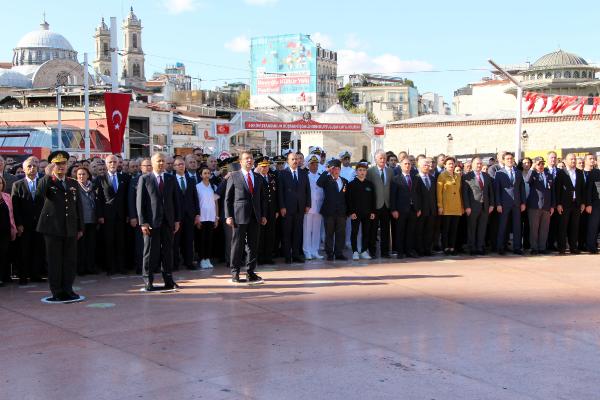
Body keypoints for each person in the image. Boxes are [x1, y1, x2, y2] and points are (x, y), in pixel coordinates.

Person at [35, 151, 84, 302]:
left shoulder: (72, 182)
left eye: (63, 164)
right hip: (52, 228)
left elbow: (78, 206)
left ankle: (68, 289)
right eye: (58, 164)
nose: (61, 167)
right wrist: (47, 175)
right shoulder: (48, 181)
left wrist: (80, 227)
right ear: (52, 166)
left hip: (70, 227)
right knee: (55, 261)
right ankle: (57, 291)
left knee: (69, 261)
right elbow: (39, 195)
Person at [136, 152, 181, 291]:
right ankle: (148, 280)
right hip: (151, 222)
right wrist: (143, 222)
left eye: (163, 161)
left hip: (168, 221)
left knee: (168, 252)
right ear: (152, 163)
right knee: (150, 252)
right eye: (158, 161)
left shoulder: (170, 178)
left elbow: (176, 200)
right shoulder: (145, 179)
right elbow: (140, 202)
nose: (161, 163)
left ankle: (168, 279)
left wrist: (177, 220)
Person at [225, 150, 267, 284]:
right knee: (237, 245)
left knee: (253, 245)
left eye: (251, 158)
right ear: (241, 161)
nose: (249, 160)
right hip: (239, 216)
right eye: (246, 159)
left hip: (255, 216)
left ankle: (250, 272)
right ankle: (235, 272)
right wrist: (228, 216)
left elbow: (262, 199)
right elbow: (228, 198)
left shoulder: (258, 177)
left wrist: (263, 215)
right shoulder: (234, 176)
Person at [11, 157, 45, 284]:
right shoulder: (17, 185)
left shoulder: (43, 182)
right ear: (24, 169)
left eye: (34, 166)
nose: (32, 168)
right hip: (25, 225)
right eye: (29, 166)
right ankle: (23, 276)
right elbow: (16, 206)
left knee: (38, 250)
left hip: (40, 223)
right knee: (24, 251)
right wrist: (19, 223)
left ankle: (36, 274)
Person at [95, 154, 130, 275]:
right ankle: (111, 268)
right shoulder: (100, 179)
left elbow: (127, 198)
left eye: (115, 162)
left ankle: (122, 267)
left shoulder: (125, 177)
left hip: (121, 215)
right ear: (106, 164)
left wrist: (129, 214)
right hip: (107, 216)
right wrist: (99, 215)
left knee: (121, 242)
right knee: (109, 242)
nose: (113, 164)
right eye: (110, 162)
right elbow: (98, 199)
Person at [277, 152, 311, 263]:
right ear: (288, 161)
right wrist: (281, 206)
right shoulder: (282, 174)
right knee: (287, 233)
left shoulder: (303, 173)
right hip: (287, 208)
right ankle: (287, 256)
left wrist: (308, 204)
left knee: (297, 232)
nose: (295, 161)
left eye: (296, 159)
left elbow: (307, 190)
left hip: (300, 208)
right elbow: (280, 192)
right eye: (292, 159)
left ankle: (296, 255)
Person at [494, 152, 526, 255]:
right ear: (503, 160)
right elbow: (497, 190)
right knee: (503, 225)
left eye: (511, 158)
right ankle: (500, 247)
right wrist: (498, 204)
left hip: (517, 203)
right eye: (507, 159)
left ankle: (517, 247)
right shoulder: (499, 173)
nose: (510, 160)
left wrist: (523, 202)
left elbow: (522, 189)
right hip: (504, 203)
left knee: (517, 226)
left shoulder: (518, 172)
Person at [317, 159, 349, 261]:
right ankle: (329, 253)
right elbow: (319, 182)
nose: (336, 170)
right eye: (334, 168)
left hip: (341, 212)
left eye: (338, 168)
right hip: (329, 211)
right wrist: (327, 171)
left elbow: (346, 197)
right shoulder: (326, 180)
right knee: (329, 233)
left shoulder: (344, 181)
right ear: (331, 169)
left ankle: (339, 253)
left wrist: (347, 211)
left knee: (341, 233)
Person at [462, 157, 494, 255]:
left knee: (482, 228)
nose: (479, 165)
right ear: (472, 164)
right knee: (472, 228)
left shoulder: (486, 176)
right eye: (477, 163)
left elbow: (490, 191)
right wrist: (467, 206)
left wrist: (492, 204)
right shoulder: (467, 176)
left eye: (480, 163)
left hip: (485, 206)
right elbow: (465, 193)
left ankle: (480, 247)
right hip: (472, 206)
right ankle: (472, 248)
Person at [173, 156, 201, 270]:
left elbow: (195, 198)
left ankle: (189, 262)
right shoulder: (171, 180)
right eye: (178, 164)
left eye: (182, 164)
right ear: (174, 167)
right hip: (176, 216)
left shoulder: (190, 180)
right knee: (175, 241)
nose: (181, 166)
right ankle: (174, 263)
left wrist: (197, 214)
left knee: (189, 240)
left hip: (190, 215)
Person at [555, 153, 585, 255]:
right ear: (566, 161)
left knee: (574, 226)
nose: (573, 161)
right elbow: (557, 189)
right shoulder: (561, 173)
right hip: (564, 204)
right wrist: (558, 204)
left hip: (576, 204)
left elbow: (582, 189)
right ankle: (562, 248)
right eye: (571, 159)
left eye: (574, 159)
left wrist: (583, 203)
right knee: (563, 226)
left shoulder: (580, 172)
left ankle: (573, 247)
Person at [366, 150, 393, 258]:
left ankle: (385, 252)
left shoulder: (390, 171)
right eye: (380, 158)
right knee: (373, 230)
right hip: (375, 206)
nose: (383, 160)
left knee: (385, 230)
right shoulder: (370, 171)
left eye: (384, 158)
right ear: (376, 159)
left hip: (386, 205)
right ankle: (372, 252)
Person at [390, 157, 419, 258]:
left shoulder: (415, 178)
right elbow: (393, 196)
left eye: (409, 164)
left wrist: (418, 208)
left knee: (411, 231)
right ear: (401, 166)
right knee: (400, 231)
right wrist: (393, 210)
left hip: (413, 209)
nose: (407, 166)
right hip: (400, 210)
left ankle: (409, 250)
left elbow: (417, 194)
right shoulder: (395, 179)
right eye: (405, 164)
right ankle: (400, 251)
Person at [347, 161, 375, 260]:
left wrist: (372, 212)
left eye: (364, 170)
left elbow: (373, 199)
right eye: (360, 170)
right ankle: (355, 251)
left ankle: (363, 250)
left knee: (366, 232)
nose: (362, 172)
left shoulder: (370, 184)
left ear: (366, 171)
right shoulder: (351, 184)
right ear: (356, 171)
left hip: (367, 213)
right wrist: (351, 212)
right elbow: (349, 200)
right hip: (356, 213)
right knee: (354, 232)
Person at [76, 167, 102, 275]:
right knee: (81, 246)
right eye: (79, 174)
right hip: (81, 221)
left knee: (91, 245)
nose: (81, 176)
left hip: (92, 220)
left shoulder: (93, 186)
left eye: (84, 174)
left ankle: (91, 266)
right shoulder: (75, 187)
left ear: (88, 175)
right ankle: (81, 268)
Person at [435, 157, 463, 255]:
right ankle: (445, 247)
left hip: (456, 206)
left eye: (452, 163)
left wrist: (462, 206)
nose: (451, 165)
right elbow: (439, 192)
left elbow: (460, 192)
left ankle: (452, 247)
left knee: (454, 229)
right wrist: (440, 206)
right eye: (449, 164)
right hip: (446, 206)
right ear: (445, 165)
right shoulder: (442, 176)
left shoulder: (458, 176)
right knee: (446, 229)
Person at [527, 157, 555, 255]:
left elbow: (552, 192)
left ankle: (542, 247)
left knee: (544, 228)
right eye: (538, 164)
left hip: (546, 206)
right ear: (535, 164)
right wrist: (532, 168)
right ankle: (534, 247)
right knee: (534, 228)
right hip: (535, 205)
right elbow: (527, 181)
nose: (541, 166)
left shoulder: (549, 175)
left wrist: (552, 205)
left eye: (542, 164)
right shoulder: (533, 174)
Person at [193, 166, 218, 269]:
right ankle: (202, 259)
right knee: (202, 239)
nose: (207, 175)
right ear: (201, 175)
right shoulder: (197, 187)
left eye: (208, 173)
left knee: (209, 239)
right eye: (205, 173)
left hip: (211, 216)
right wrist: (197, 218)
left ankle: (208, 258)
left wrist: (217, 217)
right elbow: (196, 203)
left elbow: (216, 202)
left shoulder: (213, 187)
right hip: (202, 217)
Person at [255, 157, 278, 264]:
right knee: (260, 234)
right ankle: (260, 257)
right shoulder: (256, 178)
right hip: (261, 210)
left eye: (267, 166)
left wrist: (277, 209)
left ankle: (268, 256)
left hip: (272, 210)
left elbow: (276, 194)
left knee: (271, 233)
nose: (265, 168)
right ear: (259, 167)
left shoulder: (272, 177)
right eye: (263, 166)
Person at [413, 157, 437, 256]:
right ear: (419, 166)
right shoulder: (416, 178)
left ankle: (428, 249)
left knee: (429, 230)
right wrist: (417, 208)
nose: (427, 167)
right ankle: (420, 249)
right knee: (419, 230)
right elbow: (415, 195)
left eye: (428, 165)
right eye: (425, 165)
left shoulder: (432, 178)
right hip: (421, 209)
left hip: (431, 209)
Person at [303, 154, 324, 260]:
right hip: (309, 206)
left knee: (316, 230)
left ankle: (315, 250)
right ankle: (307, 250)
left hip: (319, 206)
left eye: (316, 164)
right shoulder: (305, 175)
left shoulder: (321, 175)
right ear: (308, 165)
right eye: (312, 164)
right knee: (307, 229)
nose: (315, 166)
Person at [0, 176, 17, 286]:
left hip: (5, 231)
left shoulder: (7, 196)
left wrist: (13, 228)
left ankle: (4, 276)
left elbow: (11, 214)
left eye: (0, 183)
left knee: (4, 254)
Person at [585, 156, 600, 253]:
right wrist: (589, 204)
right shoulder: (594, 172)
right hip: (595, 203)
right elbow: (589, 189)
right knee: (593, 226)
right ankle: (591, 247)